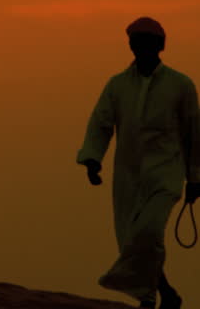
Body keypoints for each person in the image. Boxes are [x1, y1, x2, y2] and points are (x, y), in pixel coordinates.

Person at [77, 16, 200, 309]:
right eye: (135, 41)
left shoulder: (181, 85)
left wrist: (195, 178)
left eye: (146, 42)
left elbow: (194, 134)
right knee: (133, 243)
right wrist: (93, 160)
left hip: (166, 175)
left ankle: (156, 295)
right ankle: (158, 295)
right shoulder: (117, 86)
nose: (139, 47)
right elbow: (101, 124)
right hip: (127, 176)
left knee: (149, 233)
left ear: (159, 46)